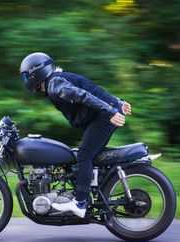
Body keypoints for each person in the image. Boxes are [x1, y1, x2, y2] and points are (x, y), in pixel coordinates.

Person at [20, 52, 131, 218]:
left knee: (84, 155)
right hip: (103, 115)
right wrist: (117, 102)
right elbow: (91, 88)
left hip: (103, 117)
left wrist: (111, 111)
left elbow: (83, 95)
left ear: (35, 73)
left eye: (26, 76)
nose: (25, 80)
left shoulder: (54, 85)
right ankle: (91, 192)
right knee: (85, 155)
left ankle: (80, 203)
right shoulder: (56, 80)